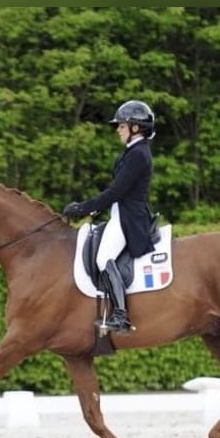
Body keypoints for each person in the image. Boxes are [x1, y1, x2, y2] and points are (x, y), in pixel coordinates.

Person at [63, 99, 156, 333]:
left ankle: (121, 315)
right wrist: (96, 209)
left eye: (122, 126)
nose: (117, 130)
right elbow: (118, 193)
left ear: (135, 127)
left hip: (129, 219)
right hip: (120, 214)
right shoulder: (131, 153)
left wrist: (83, 207)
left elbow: (116, 191)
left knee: (104, 258)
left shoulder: (138, 155)